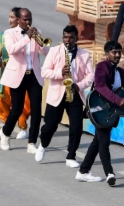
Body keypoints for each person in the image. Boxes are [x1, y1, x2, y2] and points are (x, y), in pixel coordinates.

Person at [77, 41, 124, 185]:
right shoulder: (102, 67)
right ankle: (109, 173)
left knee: (97, 142)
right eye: (114, 52)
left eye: (119, 52)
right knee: (104, 142)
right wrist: (117, 100)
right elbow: (100, 87)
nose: (117, 55)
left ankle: (83, 171)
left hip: (110, 112)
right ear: (107, 54)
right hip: (99, 109)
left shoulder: (121, 72)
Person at [36, 25, 94, 166]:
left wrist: (79, 85)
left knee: (76, 127)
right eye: (65, 37)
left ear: (76, 38)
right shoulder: (54, 51)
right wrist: (59, 73)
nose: (68, 40)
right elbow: (44, 72)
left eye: (71, 37)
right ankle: (43, 145)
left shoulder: (84, 54)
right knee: (50, 126)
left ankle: (71, 156)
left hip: (74, 94)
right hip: (57, 94)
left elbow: (91, 75)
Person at [0, 8, 49, 152]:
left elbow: (44, 51)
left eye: (29, 19)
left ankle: (31, 143)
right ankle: (5, 134)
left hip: (33, 74)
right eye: (25, 19)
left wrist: (45, 45)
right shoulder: (10, 33)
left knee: (37, 110)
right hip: (18, 75)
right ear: (18, 20)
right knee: (17, 110)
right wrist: (27, 37)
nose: (28, 22)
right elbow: (11, 50)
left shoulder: (36, 31)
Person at [0, 7, 30, 141]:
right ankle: (6, 126)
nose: (10, 20)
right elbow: (1, 52)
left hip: (19, 74)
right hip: (5, 75)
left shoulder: (26, 35)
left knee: (19, 104)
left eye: (12, 17)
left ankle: (22, 127)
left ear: (19, 20)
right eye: (9, 17)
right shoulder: (5, 34)